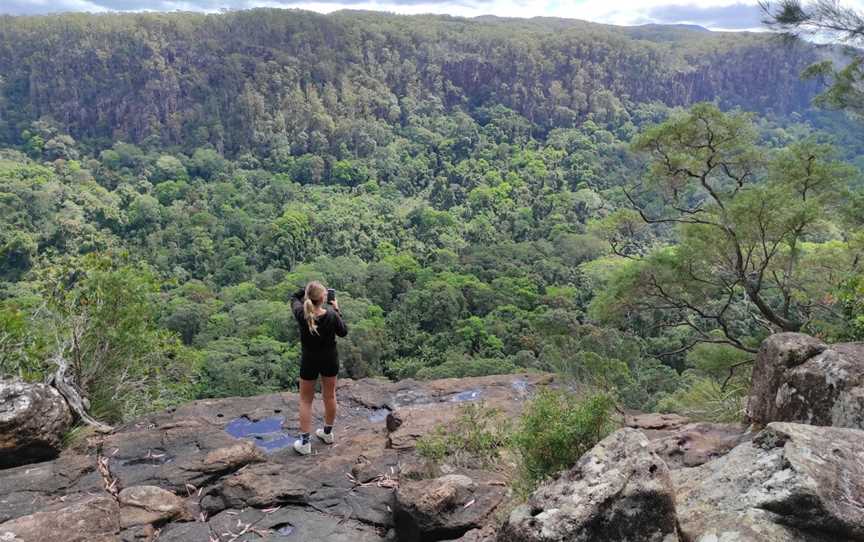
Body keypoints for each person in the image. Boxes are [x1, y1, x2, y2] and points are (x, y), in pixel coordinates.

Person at [290, 281, 348, 455]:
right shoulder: (331, 315)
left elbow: (293, 297)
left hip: (310, 360)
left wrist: (306, 289)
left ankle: (305, 443)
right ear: (323, 298)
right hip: (330, 359)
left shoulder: (302, 313)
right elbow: (343, 332)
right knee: (329, 395)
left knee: (305, 400)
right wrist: (336, 309)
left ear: (308, 298)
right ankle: (327, 434)